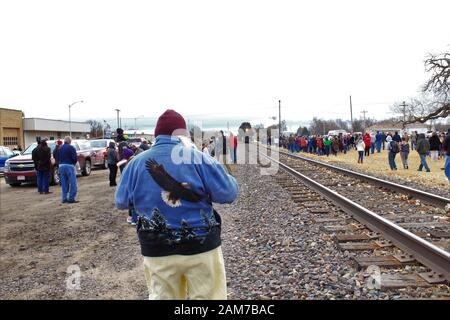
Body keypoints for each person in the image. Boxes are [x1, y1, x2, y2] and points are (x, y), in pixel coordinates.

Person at [115, 109, 238, 300]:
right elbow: (228, 193)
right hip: (201, 247)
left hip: (157, 249)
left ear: (156, 135)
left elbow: (121, 202)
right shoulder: (198, 157)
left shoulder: (135, 163)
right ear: (183, 134)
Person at [58, 136, 79, 203]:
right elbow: (74, 158)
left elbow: (57, 157)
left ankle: (64, 198)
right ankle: (71, 198)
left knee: (64, 183)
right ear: (70, 141)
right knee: (73, 183)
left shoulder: (60, 148)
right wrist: (73, 163)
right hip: (69, 165)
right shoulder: (71, 148)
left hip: (61, 166)